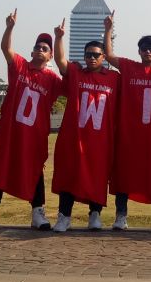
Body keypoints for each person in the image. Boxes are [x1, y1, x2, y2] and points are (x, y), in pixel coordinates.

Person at [0, 10, 62, 230]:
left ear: (50, 56)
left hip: (34, 134)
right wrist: (10, 27)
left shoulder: (52, 79)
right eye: (38, 47)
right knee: (1, 168)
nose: (40, 51)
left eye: (45, 49)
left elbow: (70, 77)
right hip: (11, 130)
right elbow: (6, 48)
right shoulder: (20, 66)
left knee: (34, 171)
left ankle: (37, 212)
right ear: (32, 51)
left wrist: (59, 39)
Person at [103, 11, 151, 231]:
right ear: (139, 51)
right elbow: (107, 55)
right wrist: (108, 29)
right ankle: (121, 215)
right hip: (130, 134)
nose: (147, 51)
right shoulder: (129, 66)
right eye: (144, 48)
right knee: (124, 175)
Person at [50, 21, 119, 232]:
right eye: (88, 54)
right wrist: (59, 37)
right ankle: (64, 216)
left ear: (103, 57)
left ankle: (95, 214)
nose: (91, 58)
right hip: (74, 135)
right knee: (68, 174)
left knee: (97, 177)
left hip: (100, 137)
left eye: (95, 55)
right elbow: (61, 61)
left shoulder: (114, 78)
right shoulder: (76, 73)